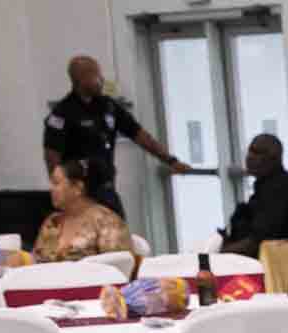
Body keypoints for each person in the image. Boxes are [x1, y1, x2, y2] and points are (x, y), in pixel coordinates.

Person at [42, 55, 189, 219]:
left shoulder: (108, 106)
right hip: (79, 195)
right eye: (96, 75)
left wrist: (170, 160)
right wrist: (61, 192)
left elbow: (139, 135)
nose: (101, 79)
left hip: (106, 190)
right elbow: (51, 157)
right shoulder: (62, 113)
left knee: (118, 239)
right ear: (81, 79)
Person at [219, 134, 288, 256]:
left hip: (271, 260)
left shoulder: (279, 188)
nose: (249, 157)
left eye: (257, 153)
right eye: (250, 151)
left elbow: (260, 240)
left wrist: (221, 254)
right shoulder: (264, 185)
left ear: (273, 159)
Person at [32, 159, 133, 262]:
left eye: (56, 183)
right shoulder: (52, 222)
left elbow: (119, 266)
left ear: (78, 188)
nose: (51, 189)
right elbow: (36, 261)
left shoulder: (107, 222)